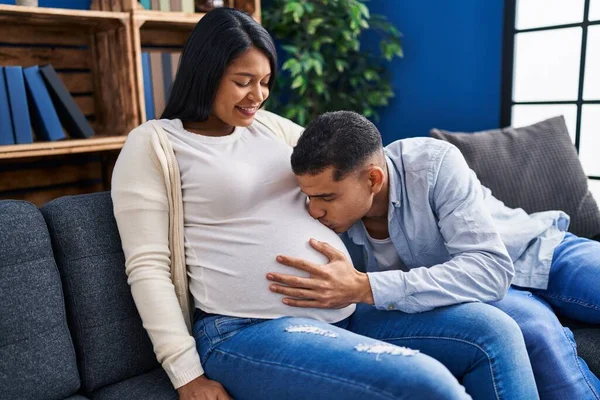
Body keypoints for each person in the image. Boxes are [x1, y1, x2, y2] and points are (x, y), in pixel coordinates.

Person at [111, 8, 538, 400]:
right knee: (426, 385)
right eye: (243, 81)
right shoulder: (156, 144)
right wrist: (185, 373)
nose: (257, 95)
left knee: (493, 329)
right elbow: (147, 265)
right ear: (205, 73)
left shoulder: (273, 129)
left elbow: (357, 166)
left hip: (345, 312)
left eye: (264, 82)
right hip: (245, 330)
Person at [278, 110, 600, 400]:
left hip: (537, 246)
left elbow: (488, 266)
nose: (314, 210)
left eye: (327, 197)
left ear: (373, 179)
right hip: (478, 295)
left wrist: (366, 286)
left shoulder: (432, 163)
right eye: (309, 197)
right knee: (535, 330)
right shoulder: (326, 223)